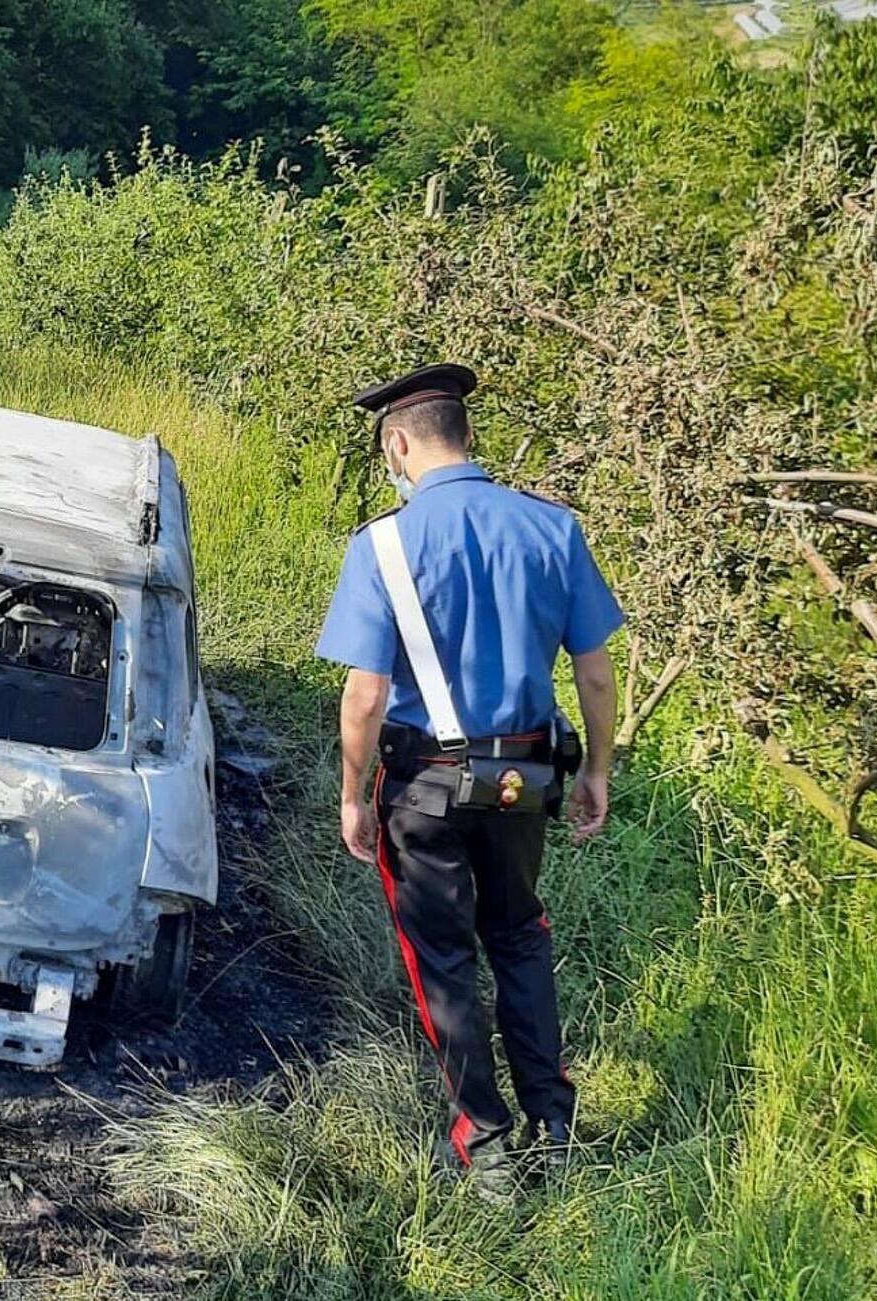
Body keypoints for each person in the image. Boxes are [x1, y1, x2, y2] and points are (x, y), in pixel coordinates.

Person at [315, 363, 621, 1199]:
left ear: (399, 443)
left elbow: (366, 695)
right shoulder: (553, 528)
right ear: (468, 435)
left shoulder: (381, 544)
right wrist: (596, 767)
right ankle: (553, 1128)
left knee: (443, 959)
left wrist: (351, 794)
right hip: (524, 778)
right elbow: (595, 675)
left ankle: (484, 1148)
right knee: (521, 936)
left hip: (424, 788)